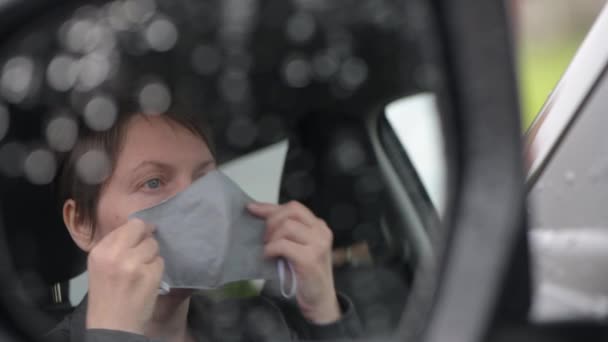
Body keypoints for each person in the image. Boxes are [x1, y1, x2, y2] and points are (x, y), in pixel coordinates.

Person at [45, 110, 362, 342]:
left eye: (204, 179)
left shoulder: (258, 326)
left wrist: (325, 312)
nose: (200, 202)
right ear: (81, 223)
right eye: (153, 181)